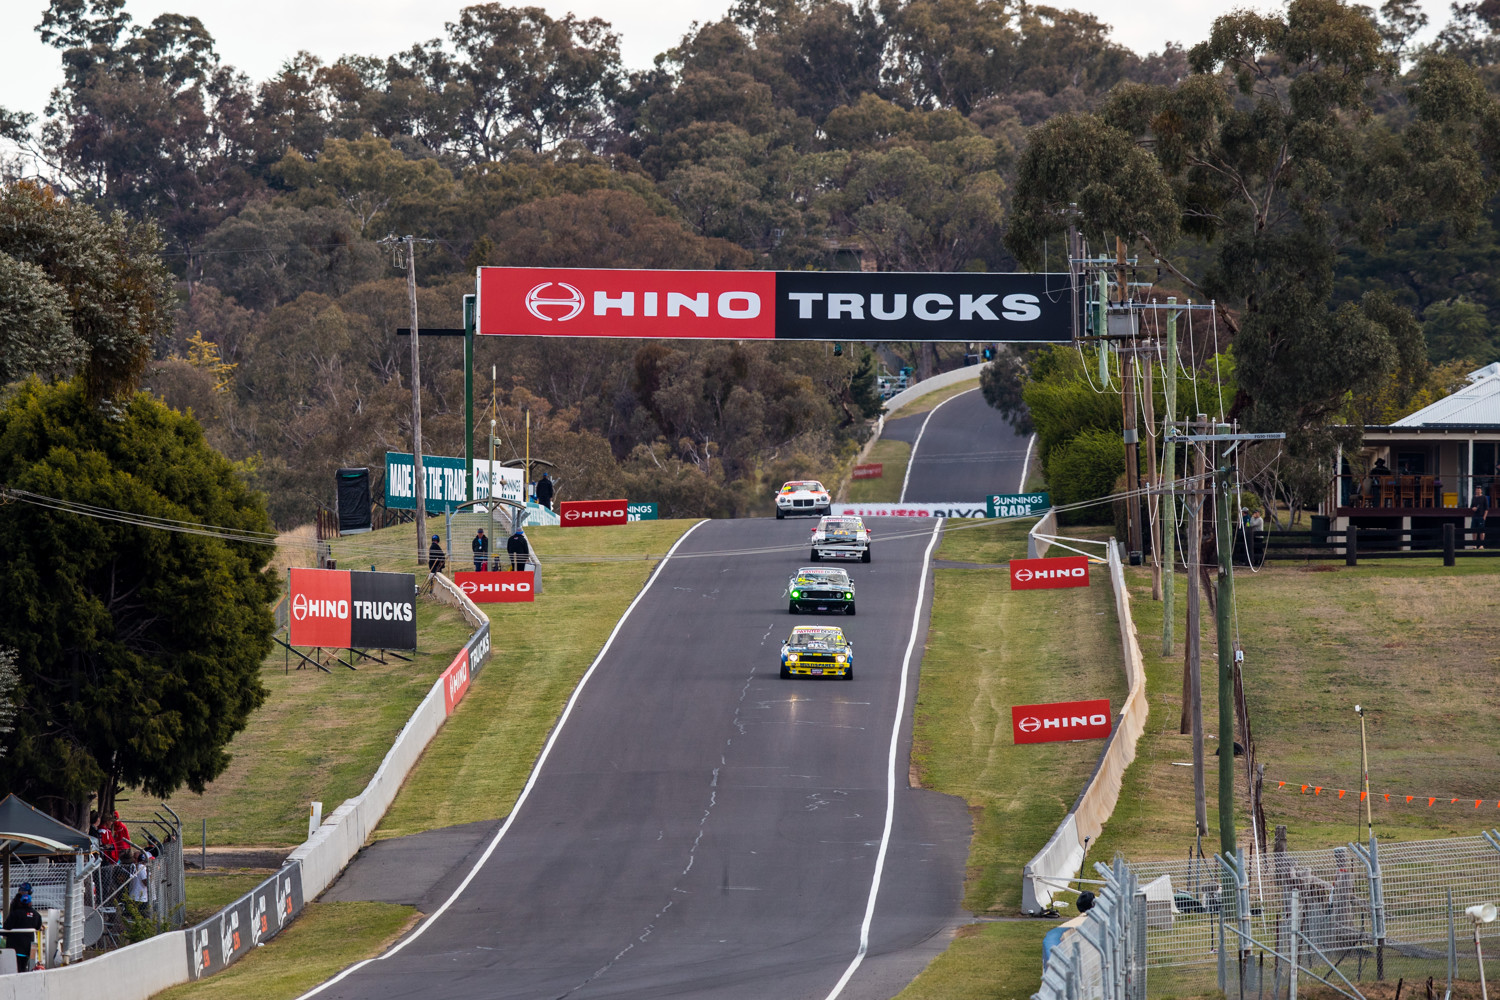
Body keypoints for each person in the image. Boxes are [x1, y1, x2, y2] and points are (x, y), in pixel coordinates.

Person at [4, 883, 43, 972]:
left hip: (15, 946)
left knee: (16, 969)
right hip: (30, 946)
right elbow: (38, 927)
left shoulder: (15, 913)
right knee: (28, 967)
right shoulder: (36, 915)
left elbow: (7, 926)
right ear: (30, 902)